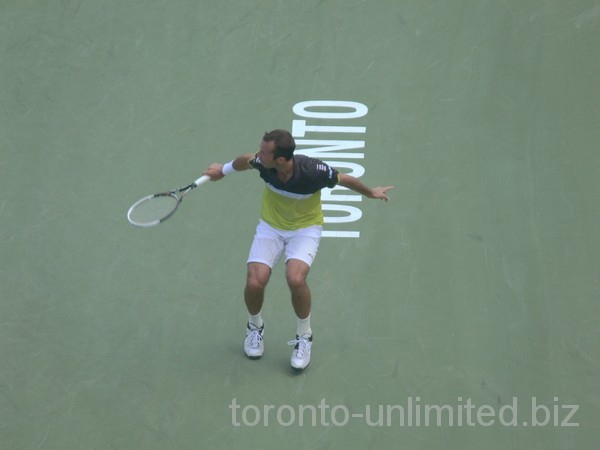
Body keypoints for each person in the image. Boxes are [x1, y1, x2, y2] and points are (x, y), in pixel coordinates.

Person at [203, 129, 394, 371]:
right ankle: (255, 327)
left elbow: (344, 179)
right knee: (255, 281)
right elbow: (244, 160)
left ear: (281, 159)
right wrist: (223, 170)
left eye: (264, 152)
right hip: (270, 227)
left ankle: (304, 336)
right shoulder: (261, 163)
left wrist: (371, 193)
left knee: (295, 277)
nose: (258, 155)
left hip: (305, 229)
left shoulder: (313, 171)